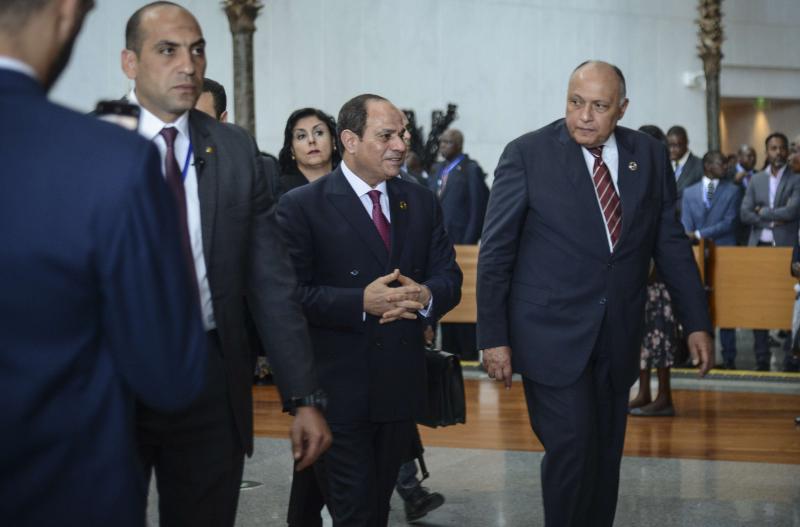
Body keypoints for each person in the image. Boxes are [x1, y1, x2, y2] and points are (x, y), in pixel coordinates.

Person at [120, 3, 331, 526]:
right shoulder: (90, 144)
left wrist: (302, 395)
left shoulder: (235, 151)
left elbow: (271, 282)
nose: (187, 65)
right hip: (115, 379)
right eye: (167, 50)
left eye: (196, 50)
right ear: (130, 63)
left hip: (211, 377)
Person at [478, 61, 713, 527]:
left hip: (618, 335)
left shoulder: (647, 155)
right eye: (575, 102)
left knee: (605, 456)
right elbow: (496, 252)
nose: (584, 116)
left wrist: (698, 321)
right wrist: (492, 335)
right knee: (572, 449)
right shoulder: (527, 154)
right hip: (550, 335)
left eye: (599, 106)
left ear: (622, 109)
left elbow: (669, 242)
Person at [0, 1, 208, 525]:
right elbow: (169, 374)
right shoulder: (109, 158)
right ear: (68, 13)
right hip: (64, 485)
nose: (187, 64)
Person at [276, 94, 462, 526]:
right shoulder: (303, 207)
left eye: (403, 134)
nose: (401, 144)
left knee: (374, 511)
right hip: (336, 396)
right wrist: (360, 302)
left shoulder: (419, 202)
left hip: (397, 392)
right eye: (387, 135)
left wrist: (426, 297)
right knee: (356, 514)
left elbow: (449, 276)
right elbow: (288, 297)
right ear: (350, 140)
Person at [740, 132, 800, 371]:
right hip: (759, 248)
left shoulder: (796, 179)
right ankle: (761, 357)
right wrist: (774, 218)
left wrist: (763, 213)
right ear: (767, 152)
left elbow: (793, 211)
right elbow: (745, 213)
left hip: (785, 249)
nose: (778, 153)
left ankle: (789, 358)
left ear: (787, 151)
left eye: (782, 148)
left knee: (785, 305)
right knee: (758, 305)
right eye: (773, 148)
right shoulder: (756, 180)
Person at [429, 128, 489, 361]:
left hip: (463, 247)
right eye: (441, 142)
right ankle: (450, 352)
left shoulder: (470, 170)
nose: (442, 145)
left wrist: (468, 242)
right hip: (439, 246)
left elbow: (478, 209)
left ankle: (467, 353)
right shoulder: (437, 170)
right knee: (445, 299)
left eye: (447, 142)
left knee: (465, 300)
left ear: (459, 144)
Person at [681, 151, 743, 370]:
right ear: (707, 165)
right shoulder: (689, 193)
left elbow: (730, 222)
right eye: (721, 162)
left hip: (725, 254)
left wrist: (698, 235)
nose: (725, 166)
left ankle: (729, 357)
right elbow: (685, 224)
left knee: (727, 305)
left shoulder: (734, 191)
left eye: (726, 162)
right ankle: (696, 354)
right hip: (696, 257)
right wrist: (692, 236)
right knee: (697, 303)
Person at [667, 125, 704, 200]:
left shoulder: (700, 165)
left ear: (686, 143)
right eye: (669, 145)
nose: (671, 150)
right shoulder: (664, 164)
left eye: (676, 145)